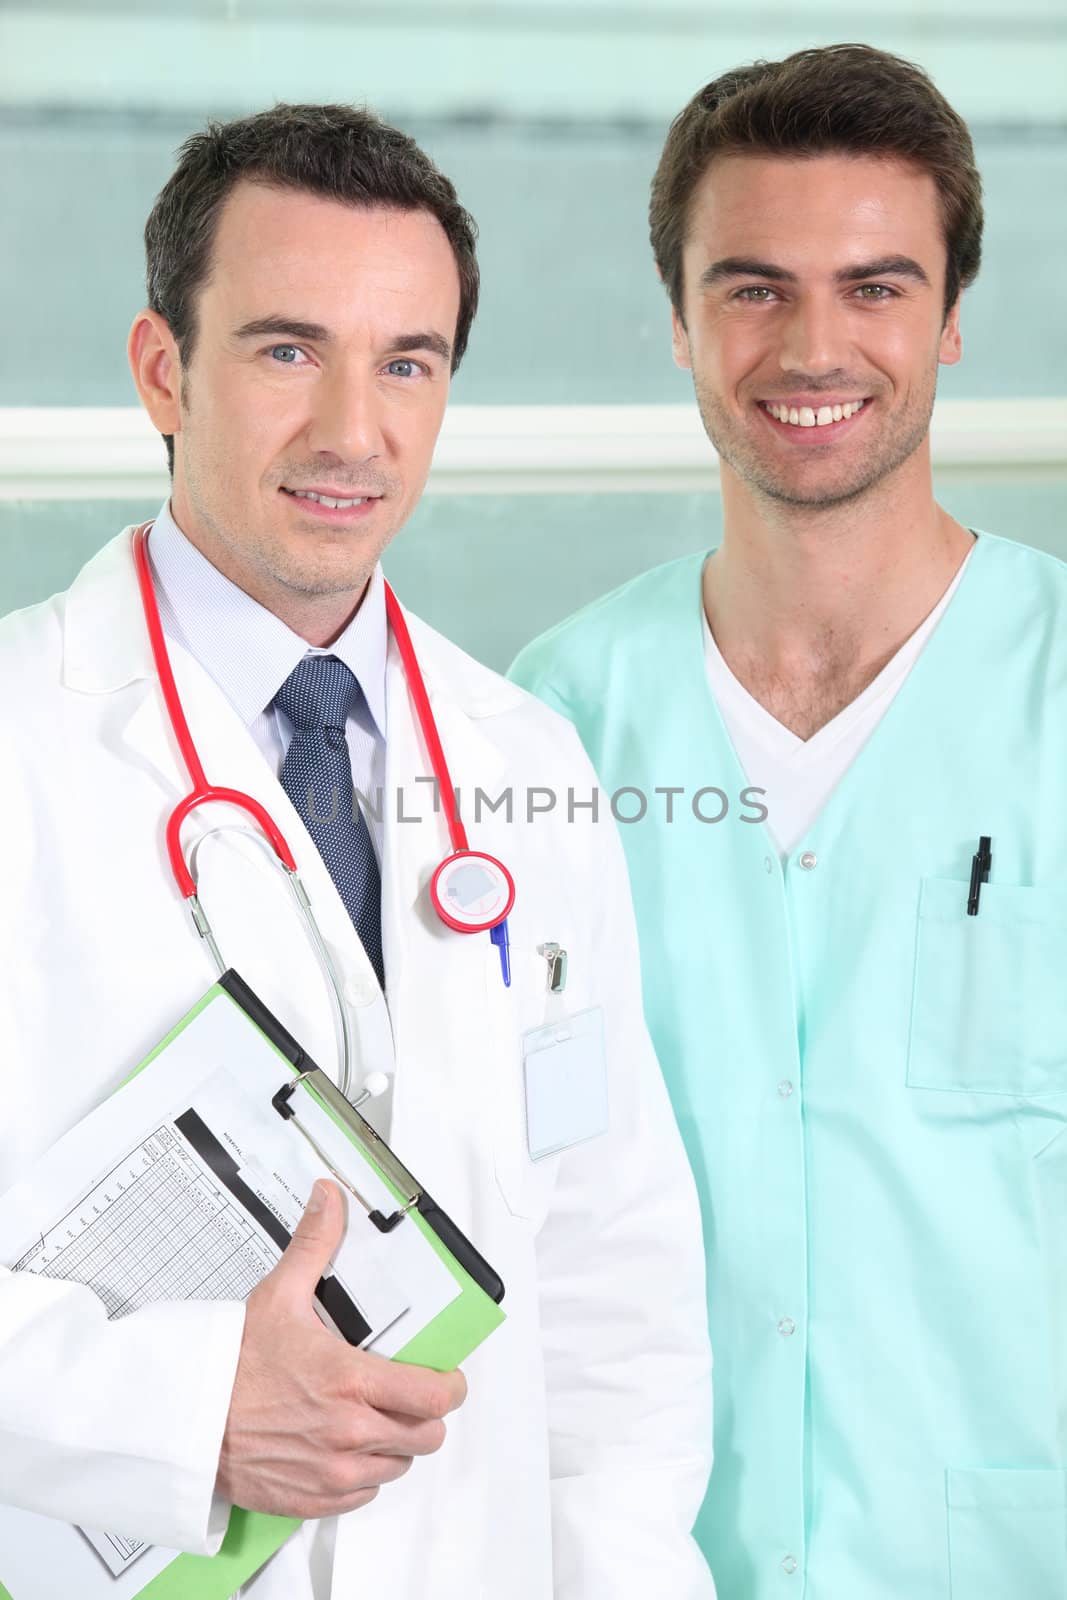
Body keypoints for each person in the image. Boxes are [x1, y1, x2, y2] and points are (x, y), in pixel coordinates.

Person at [0, 104, 715, 1599]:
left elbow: (608, 1278)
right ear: (160, 372)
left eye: (408, 362)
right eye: (284, 349)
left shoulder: (524, 762)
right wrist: (181, 1409)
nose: (352, 430)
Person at [510, 43, 1067, 1600]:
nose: (813, 346)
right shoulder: (552, 722)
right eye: (751, 288)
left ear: (953, 320)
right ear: (677, 324)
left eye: (876, 287)